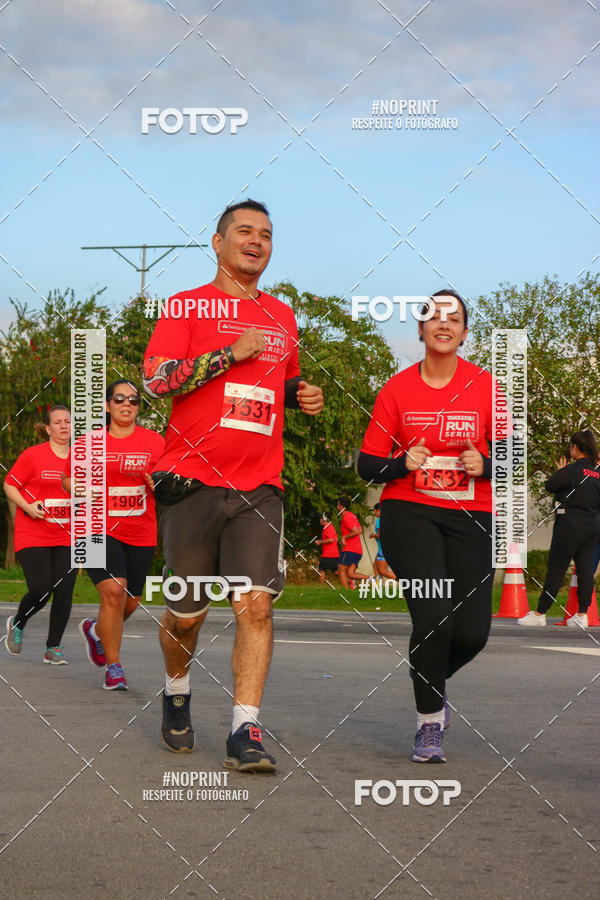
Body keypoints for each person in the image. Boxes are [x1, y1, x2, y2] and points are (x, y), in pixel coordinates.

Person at [143, 199, 323, 770]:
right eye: (244, 231)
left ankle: (246, 730)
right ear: (218, 243)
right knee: (187, 612)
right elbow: (155, 381)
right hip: (191, 481)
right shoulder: (186, 305)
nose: (256, 240)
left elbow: (278, 387)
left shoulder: (283, 316)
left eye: (266, 234)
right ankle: (176, 692)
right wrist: (227, 353)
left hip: (259, 485)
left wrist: (302, 396)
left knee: (255, 607)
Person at [358, 290, 506, 763]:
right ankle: (428, 724)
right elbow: (367, 465)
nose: (443, 324)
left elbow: (513, 459)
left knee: (471, 633)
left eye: (454, 318)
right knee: (434, 616)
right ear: (420, 329)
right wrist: (401, 463)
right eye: (433, 317)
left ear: (465, 333)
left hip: (472, 515)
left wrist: (485, 462)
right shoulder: (396, 389)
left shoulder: (487, 388)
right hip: (410, 513)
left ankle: (430, 682)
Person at [69, 380, 165, 690]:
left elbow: (168, 480)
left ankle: (98, 631)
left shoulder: (155, 442)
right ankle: (114, 667)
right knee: (114, 590)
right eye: (119, 398)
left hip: (140, 529)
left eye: (134, 400)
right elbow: (67, 480)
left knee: (131, 601)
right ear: (108, 405)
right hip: (96, 526)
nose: (127, 404)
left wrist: (159, 485)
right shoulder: (88, 442)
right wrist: (82, 490)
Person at [4, 406, 75, 664]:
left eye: (68, 421)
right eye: (57, 422)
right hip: (33, 532)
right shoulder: (33, 456)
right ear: (48, 429)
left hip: (67, 534)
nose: (64, 426)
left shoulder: (82, 458)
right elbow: (10, 484)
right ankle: (18, 623)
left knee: (65, 590)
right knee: (41, 590)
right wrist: (27, 507)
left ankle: (53, 647)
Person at [517, 430, 600, 630]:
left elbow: (550, 485)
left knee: (557, 567)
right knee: (586, 570)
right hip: (593, 526)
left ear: (576, 448)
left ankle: (540, 613)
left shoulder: (572, 470)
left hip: (570, 524)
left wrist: (561, 471)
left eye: (571, 446)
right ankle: (582, 614)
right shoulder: (597, 473)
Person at [337, 497, 370, 588]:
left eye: (338, 505)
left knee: (341, 570)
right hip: (358, 550)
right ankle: (371, 579)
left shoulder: (346, 518)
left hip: (349, 549)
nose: (337, 506)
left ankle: (346, 592)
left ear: (342, 507)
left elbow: (356, 531)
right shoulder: (352, 516)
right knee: (350, 574)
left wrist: (345, 537)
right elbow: (360, 530)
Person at [369, 502, 396, 580]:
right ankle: (379, 587)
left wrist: (373, 535)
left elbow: (381, 535)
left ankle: (402, 581)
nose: (374, 513)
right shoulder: (388, 520)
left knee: (382, 571)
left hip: (383, 549)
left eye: (374, 511)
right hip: (385, 547)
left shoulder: (379, 520)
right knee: (375, 567)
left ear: (378, 511)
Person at [315, 512, 339, 583]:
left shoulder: (329, 528)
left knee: (322, 570)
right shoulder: (329, 527)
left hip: (328, 554)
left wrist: (320, 542)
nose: (320, 520)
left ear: (324, 519)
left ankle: (320, 588)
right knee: (336, 572)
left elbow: (331, 539)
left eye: (321, 518)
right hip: (334, 554)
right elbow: (335, 539)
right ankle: (351, 581)